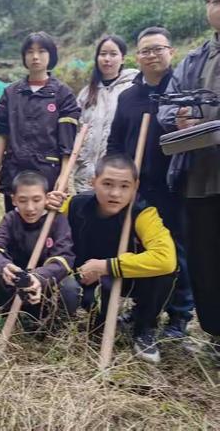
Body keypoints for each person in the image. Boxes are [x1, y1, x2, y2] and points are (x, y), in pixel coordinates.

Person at [107, 27, 194, 339]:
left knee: (177, 251)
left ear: (170, 52)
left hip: (173, 187)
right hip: (136, 189)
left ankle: (179, 316)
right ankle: (144, 309)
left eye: (158, 49)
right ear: (137, 57)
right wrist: (116, 179)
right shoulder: (129, 97)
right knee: (139, 249)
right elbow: (115, 142)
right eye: (146, 50)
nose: (152, 55)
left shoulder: (183, 91)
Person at [49, 154, 176, 364]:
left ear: (135, 186)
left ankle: (144, 328)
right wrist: (46, 206)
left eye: (125, 186)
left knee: (166, 272)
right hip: (88, 278)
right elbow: (46, 233)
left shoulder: (144, 213)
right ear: (93, 182)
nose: (115, 193)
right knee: (93, 318)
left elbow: (166, 259)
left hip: (127, 278)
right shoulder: (74, 205)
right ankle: (98, 318)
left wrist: (107, 266)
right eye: (107, 184)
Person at [157, 0, 220, 353]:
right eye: (215, 1)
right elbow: (168, 105)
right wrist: (180, 118)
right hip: (198, 177)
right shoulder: (195, 59)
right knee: (205, 261)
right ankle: (215, 333)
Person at [0, 31, 80, 212]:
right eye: (30, 52)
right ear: (24, 56)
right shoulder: (11, 93)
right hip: (15, 170)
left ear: (51, 56)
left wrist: (63, 178)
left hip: (47, 171)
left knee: (46, 226)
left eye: (42, 51)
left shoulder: (63, 94)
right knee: (14, 222)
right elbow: (2, 134)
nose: (36, 57)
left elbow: (67, 143)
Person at [0, 171, 80, 331]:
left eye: (37, 200)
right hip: (16, 281)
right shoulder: (11, 219)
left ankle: (52, 325)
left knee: (70, 288)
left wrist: (39, 277)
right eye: (22, 200)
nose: (30, 208)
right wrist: (4, 266)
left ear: (47, 198)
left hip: (45, 282)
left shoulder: (57, 220)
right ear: (13, 199)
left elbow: (64, 259)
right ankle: (8, 313)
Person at [74, 35, 137, 192]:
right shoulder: (86, 93)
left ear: (123, 59)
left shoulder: (132, 89)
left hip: (117, 173)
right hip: (86, 173)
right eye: (103, 54)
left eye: (113, 54)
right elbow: (76, 130)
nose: (107, 59)